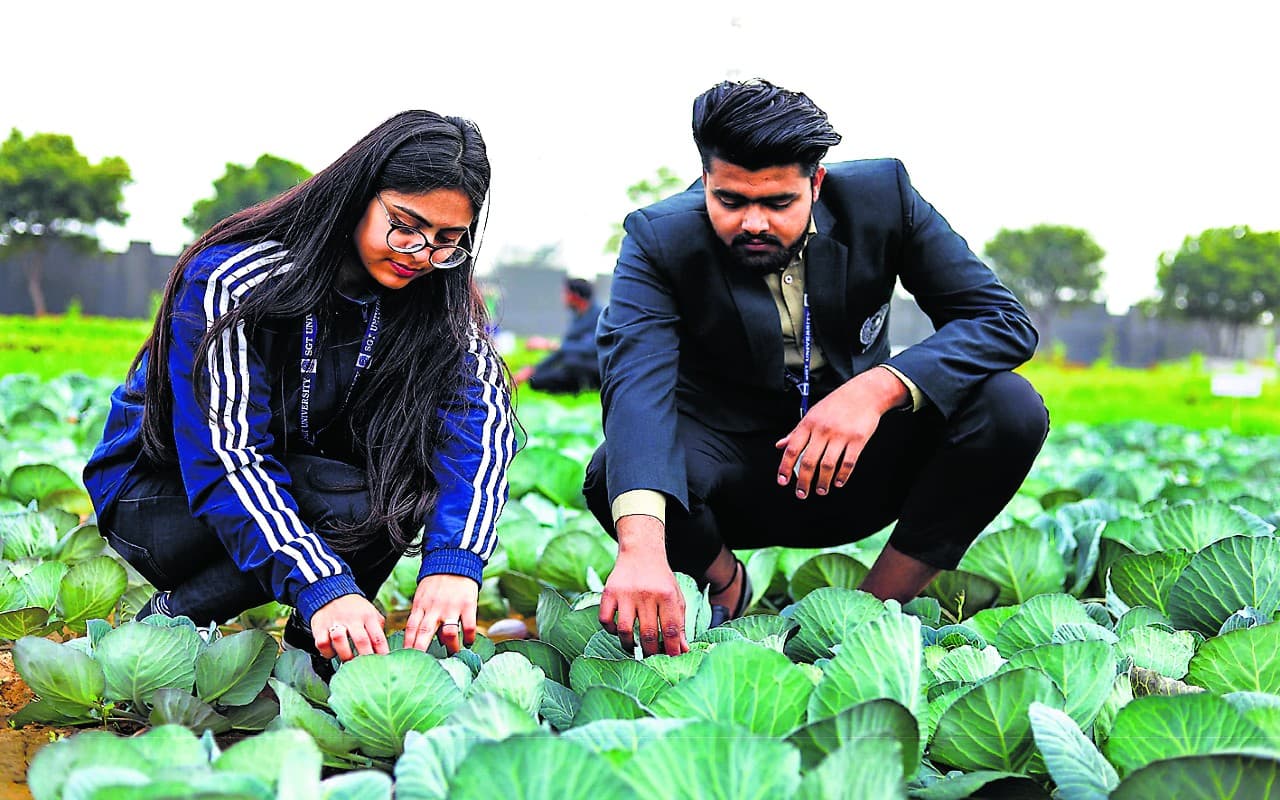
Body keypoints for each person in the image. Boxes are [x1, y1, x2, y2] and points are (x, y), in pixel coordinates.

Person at [584, 79, 1048, 657]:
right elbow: (635, 383)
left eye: (779, 203)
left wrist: (876, 390)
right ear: (705, 181)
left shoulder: (884, 197)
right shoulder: (657, 238)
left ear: (817, 183)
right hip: (731, 479)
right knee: (613, 472)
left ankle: (870, 614)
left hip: (858, 465)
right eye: (730, 200)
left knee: (1010, 407)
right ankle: (726, 586)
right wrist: (641, 549)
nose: (754, 223)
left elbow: (1001, 321)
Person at [83, 111, 516, 669]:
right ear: (360, 194)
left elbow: (482, 432)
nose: (420, 253)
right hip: (161, 490)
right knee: (318, 507)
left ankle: (317, 657)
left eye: (446, 240)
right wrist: (321, 584)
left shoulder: (441, 307)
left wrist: (456, 559)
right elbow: (224, 458)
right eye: (405, 225)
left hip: (294, 480)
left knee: (399, 488)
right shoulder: (235, 280)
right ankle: (170, 619)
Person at [513, 277, 602, 393]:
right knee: (536, 379)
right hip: (576, 365)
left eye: (565, 293)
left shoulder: (600, 315)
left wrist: (548, 345)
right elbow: (562, 350)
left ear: (575, 295)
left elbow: (590, 348)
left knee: (572, 361)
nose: (562, 297)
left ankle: (587, 387)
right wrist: (532, 370)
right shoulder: (578, 317)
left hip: (598, 367)